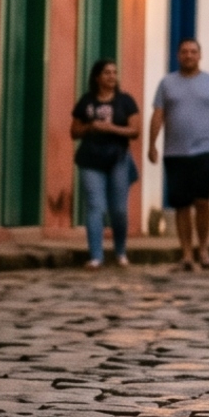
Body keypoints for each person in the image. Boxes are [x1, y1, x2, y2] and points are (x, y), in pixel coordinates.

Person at [148, 40, 209, 272]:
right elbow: (158, 114)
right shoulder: (167, 83)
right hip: (175, 152)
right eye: (184, 52)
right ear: (178, 55)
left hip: (205, 150)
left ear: (200, 55)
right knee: (182, 204)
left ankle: (203, 249)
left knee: (202, 200)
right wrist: (152, 144)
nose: (189, 55)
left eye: (193, 51)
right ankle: (186, 252)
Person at [68, 59, 141, 267]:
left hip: (118, 158)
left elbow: (135, 131)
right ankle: (96, 255)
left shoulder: (125, 101)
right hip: (90, 159)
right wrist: (90, 127)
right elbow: (74, 131)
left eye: (114, 72)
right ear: (97, 77)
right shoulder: (86, 101)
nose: (111, 76)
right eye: (107, 73)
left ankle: (120, 251)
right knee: (95, 206)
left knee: (118, 209)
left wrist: (111, 129)